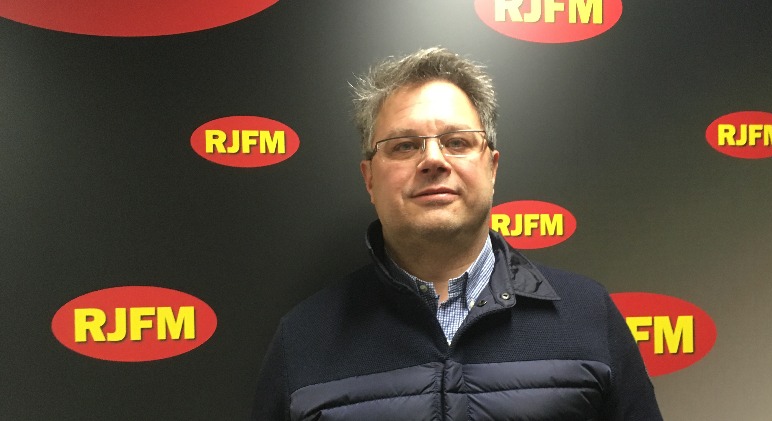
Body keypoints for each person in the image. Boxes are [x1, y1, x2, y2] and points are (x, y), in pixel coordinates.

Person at [252, 46, 663, 420]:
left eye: (457, 142)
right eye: (404, 145)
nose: (433, 159)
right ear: (369, 179)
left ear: (492, 168)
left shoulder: (589, 316)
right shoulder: (302, 339)